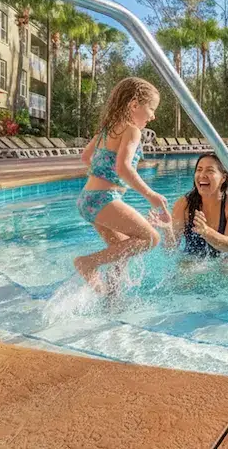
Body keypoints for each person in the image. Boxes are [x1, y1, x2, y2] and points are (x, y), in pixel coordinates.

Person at [74, 77, 173, 292]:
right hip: (104, 199)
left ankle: (111, 295)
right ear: (134, 104)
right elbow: (123, 168)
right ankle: (87, 263)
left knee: (122, 251)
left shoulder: (108, 129)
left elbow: (85, 157)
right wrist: (150, 194)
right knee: (150, 238)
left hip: (87, 199)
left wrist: (102, 173)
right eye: (151, 108)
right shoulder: (131, 130)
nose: (153, 115)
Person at [161, 153, 228, 259]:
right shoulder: (184, 204)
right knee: (185, 271)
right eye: (199, 170)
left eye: (210, 170)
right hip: (195, 258)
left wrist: (206, 231)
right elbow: (171, 248)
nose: (202, 175)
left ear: (223, 178)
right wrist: (166, 229)